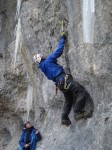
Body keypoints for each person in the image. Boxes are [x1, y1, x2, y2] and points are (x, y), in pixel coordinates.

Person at [33, 32, 93, 126]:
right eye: (42, 56)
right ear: (42, 57)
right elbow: (59, 51)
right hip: (64, 80)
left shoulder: (43, 68)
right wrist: (63, 38)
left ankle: (64, 118)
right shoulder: (48, 60)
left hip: (60, 84)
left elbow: (52, 68)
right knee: (81, 92)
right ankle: (78, 112)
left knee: (69, 100)